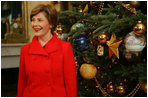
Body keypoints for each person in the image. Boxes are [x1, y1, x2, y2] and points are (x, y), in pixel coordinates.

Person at [17, 4, 77, 97]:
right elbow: (22, 83)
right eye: (33, 20)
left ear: (51, 23)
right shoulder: (25, 49)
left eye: (40, 20)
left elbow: (71, 84)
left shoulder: (65, 47)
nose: (35, 24)